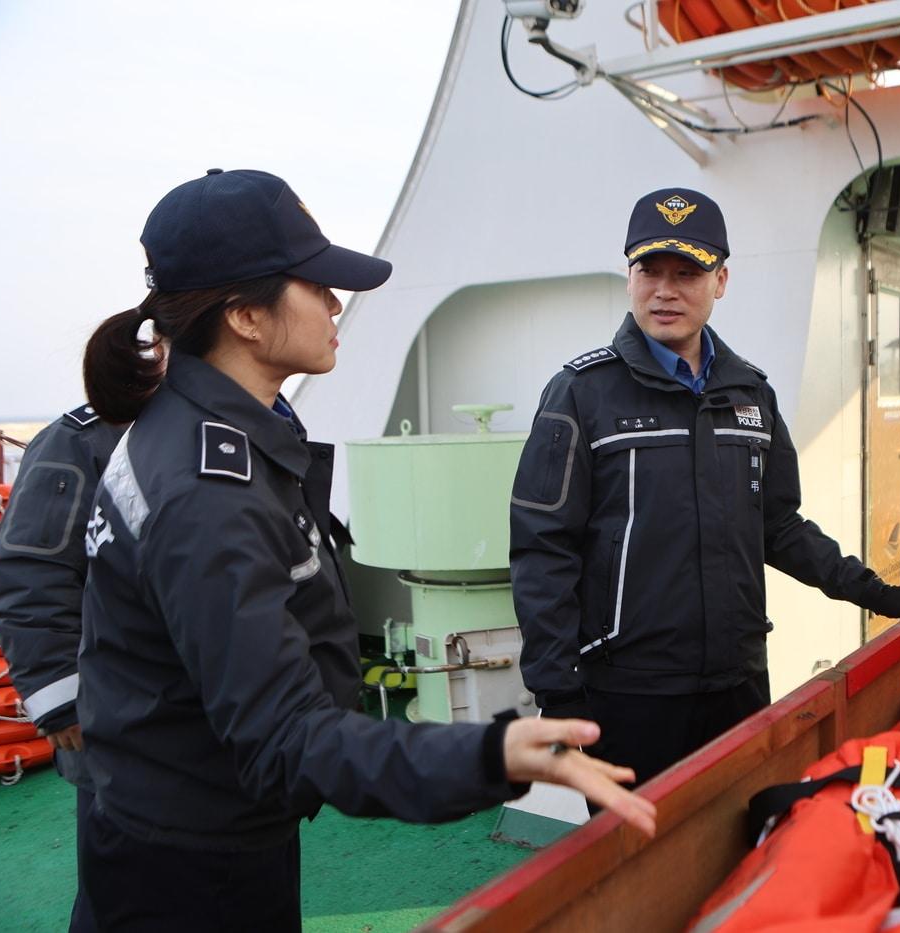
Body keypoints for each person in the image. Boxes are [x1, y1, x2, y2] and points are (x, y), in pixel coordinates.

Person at [74, 168, 655, 932]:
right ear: (246, 315)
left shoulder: (187, 431)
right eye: (314, 284)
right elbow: (284, 737)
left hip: (173, 815)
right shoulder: (206, 489)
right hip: (187, 866)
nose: (335, 302)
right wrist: (492, 754)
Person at [509, 188, 900, 786]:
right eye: (648, 270)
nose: (665, 290)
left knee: (749, 841)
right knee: (639, 860)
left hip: (737, 682)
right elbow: (542, 548)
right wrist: (557, 691)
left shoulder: (750, 393)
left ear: (721, 280)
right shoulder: (580, 393)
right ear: (629, 278)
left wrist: (876, 595)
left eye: (688, 272)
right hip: (631, 692)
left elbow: (779, 528)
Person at [0, 404, 124, 932]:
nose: (333, 312)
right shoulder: (85, 438)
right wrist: (62, 702)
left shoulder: (257, 426)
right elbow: (27, 580)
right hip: (121, 735)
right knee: (124, 900)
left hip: (227, 735)